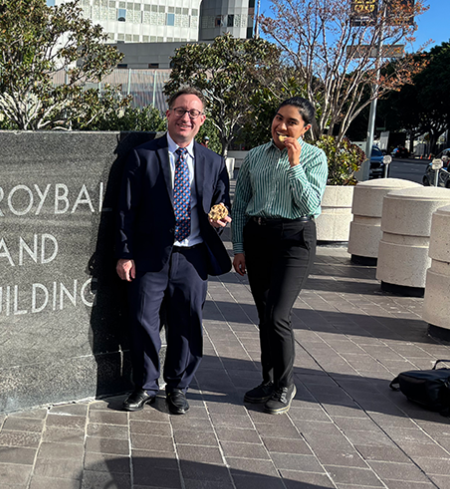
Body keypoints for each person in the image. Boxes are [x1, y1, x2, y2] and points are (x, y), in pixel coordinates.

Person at [116, 87, 233, 415]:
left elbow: (221, 202)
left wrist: (219, 219)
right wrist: (124, 254)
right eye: (180, 110)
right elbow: (126, 210)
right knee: (143, 321)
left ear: (202, 120)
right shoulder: (143, 156)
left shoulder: (213, 162)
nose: (186, 117)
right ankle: (145, 385)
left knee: (187, 324)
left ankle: (178, 387)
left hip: (192, 256)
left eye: (194, 113)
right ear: (168, 114)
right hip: (149, 256)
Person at [231, 96, 328, 415]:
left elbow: (310, 205)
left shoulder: (314, 158)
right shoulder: (255, 156)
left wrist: (295, 164)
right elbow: (240, 204)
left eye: (291, 122)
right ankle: (269, 380)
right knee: (264, 315)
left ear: (305, 129)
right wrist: (239, 248)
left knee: (277, 314)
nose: (281, 126)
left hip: (294, 239)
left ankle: (285, 385)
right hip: (258, 237)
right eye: (278, 118)